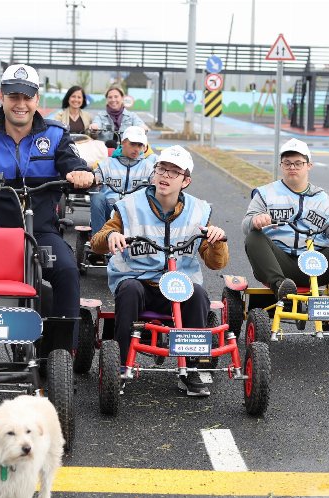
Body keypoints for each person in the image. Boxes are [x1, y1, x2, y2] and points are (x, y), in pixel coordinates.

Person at [0, 63, 94, 324]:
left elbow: (73, 164)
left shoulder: (55, 134)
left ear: (37, 99)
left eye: (27, 97)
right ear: (1, 96)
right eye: (14, 96)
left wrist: (81, 174)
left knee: (69, 270)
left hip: (41, 231)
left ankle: (61, 351)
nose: (21, 104)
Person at [90, 146, 228, 397]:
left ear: (186, 181)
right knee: (128, 290)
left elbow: (216, 263)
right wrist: (111, 235)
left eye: (174, 172)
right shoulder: (129, 205)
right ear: (154, 173)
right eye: (161, 169)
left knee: (198, 295)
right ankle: (120, 366)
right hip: (140, 283)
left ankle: (191, 369)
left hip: (178, 286)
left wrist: (217, 242)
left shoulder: (199, 210)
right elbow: (98, 240)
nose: (165, 176)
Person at [242, 138, 329, 308]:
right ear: (281, 166)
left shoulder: (322, 199)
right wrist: (255, 221)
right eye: (287, 163)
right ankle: (282, 289)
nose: (292, 167)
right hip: (280, 262)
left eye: (298, 163)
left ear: (309, 165)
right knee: (253, 238)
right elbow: (245, 225)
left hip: (315, 263)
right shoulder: (265, 193)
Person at [89, 125, 156, 236]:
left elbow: (156, 183)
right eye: (133, 144)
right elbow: (95, 179)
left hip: (136, 212)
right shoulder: (106, 164)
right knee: (97, 196)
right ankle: (99, 240)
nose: (136, 149)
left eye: (140, 145)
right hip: (109, 209)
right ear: (123, 142)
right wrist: (94, 180)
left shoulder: (149, 167)